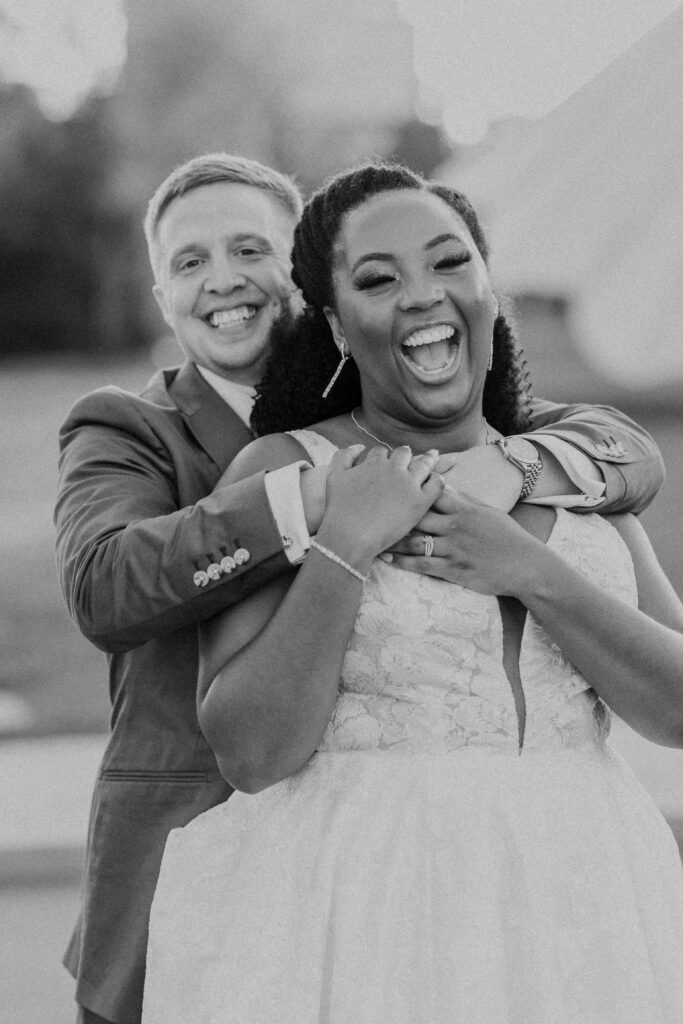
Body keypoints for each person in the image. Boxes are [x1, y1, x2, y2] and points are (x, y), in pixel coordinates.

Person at [55, 152, 664, 1024]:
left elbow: (627, 454)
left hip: (569, 894)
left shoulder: (526, 441)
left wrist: (519, 467)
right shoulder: (134, 429)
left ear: (300, 283)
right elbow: (105, 588)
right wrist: (311, 505)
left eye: (247, 249)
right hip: (263, 886)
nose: (222, 280)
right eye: (189, 261)